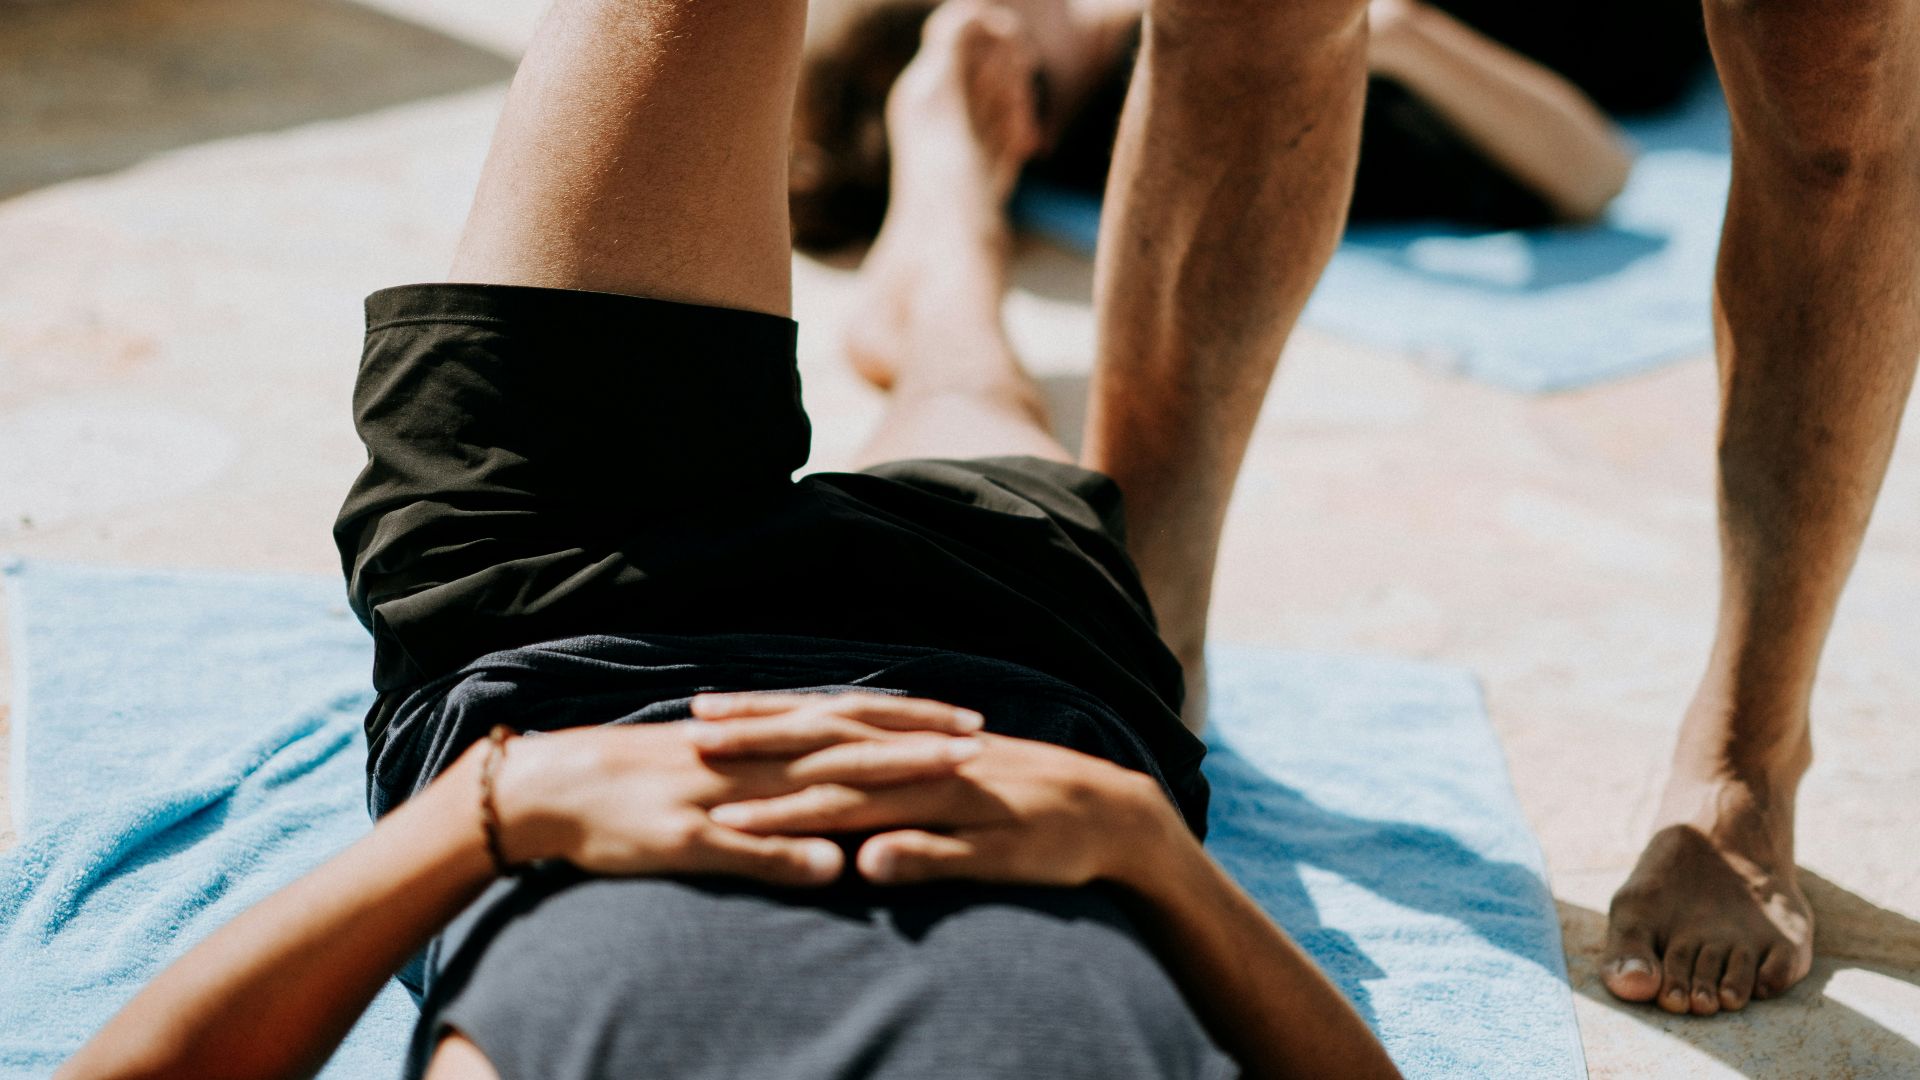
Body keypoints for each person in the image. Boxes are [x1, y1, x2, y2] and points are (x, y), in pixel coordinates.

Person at [57, 0, 1404, 1076]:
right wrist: (1149, 851)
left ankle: (940, 231)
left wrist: (496, 811)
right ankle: (942, 233)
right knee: (978, 391)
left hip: (553, 625)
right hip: (1025, 682)